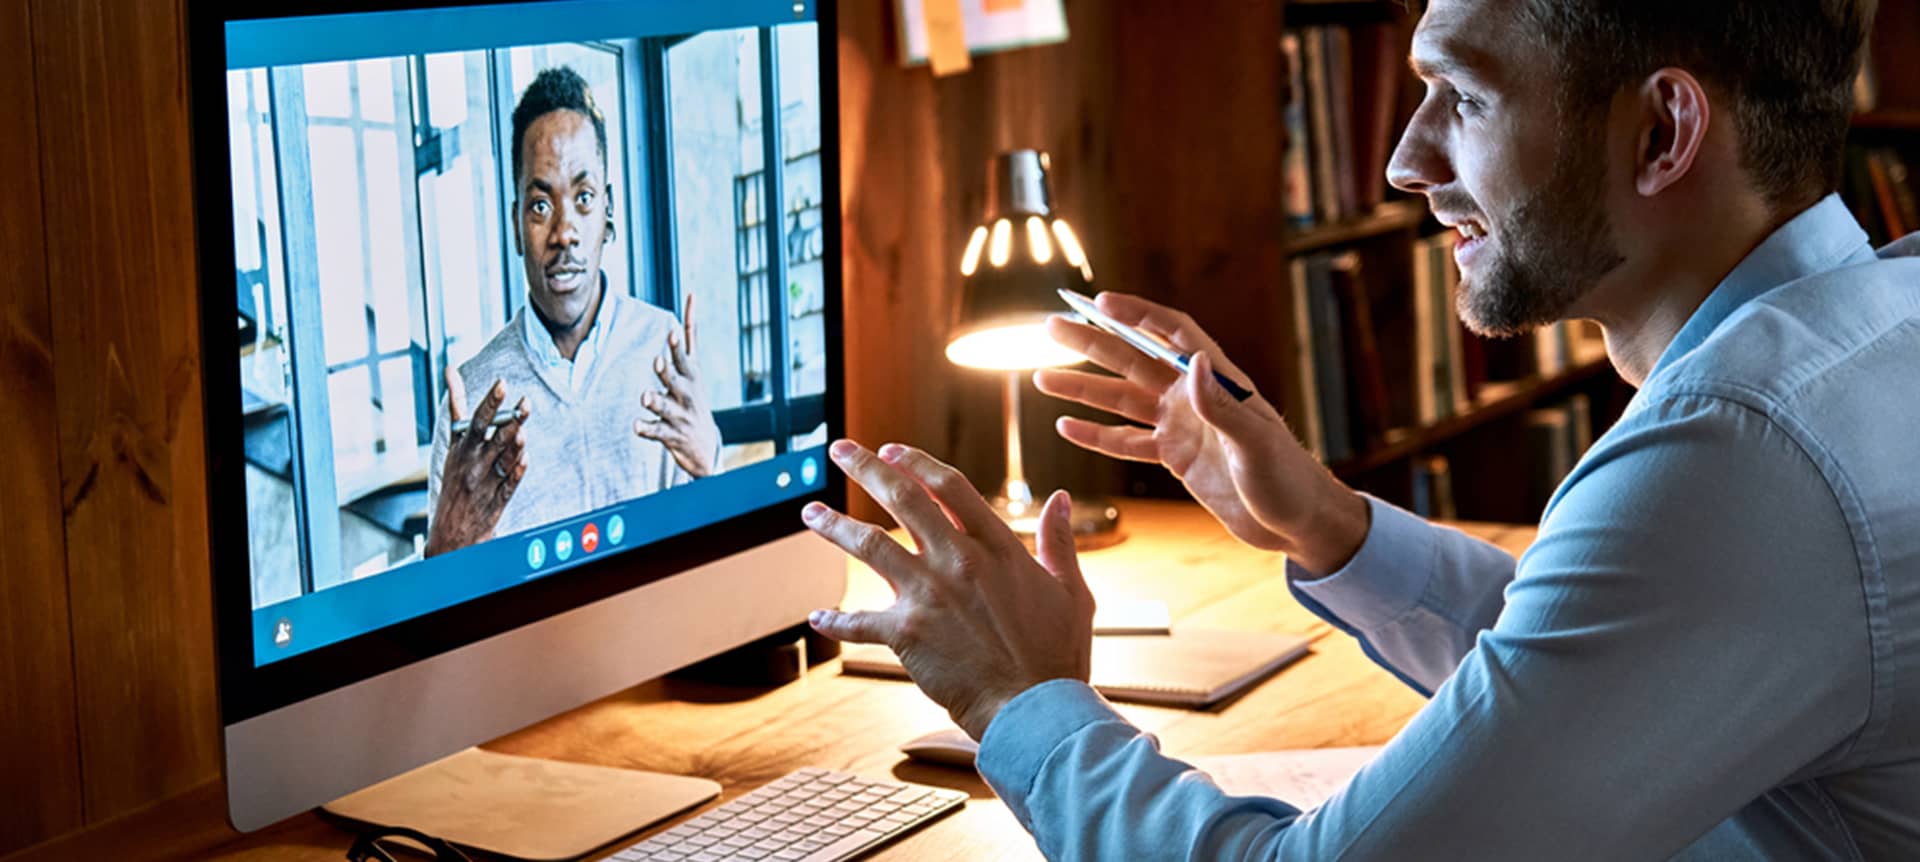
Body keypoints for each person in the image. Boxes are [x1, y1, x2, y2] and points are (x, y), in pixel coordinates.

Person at [798, 0, 1920, 858]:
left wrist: (1014, 698)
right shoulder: (1878, 320)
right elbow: (1599, 672)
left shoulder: (1738, 458)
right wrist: (1330, 525)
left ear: (1664, 130)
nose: (1406, 160)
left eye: (1464, 98)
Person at [426, 67, 720, 556]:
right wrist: (445, 548)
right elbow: (441, 609)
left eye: (583, 198)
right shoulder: (473, 401)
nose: (564, 232)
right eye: (540, 205)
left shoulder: (661, 347)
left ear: (608, 213)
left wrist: (710, 462)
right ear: (517, 225)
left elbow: (712, 553)